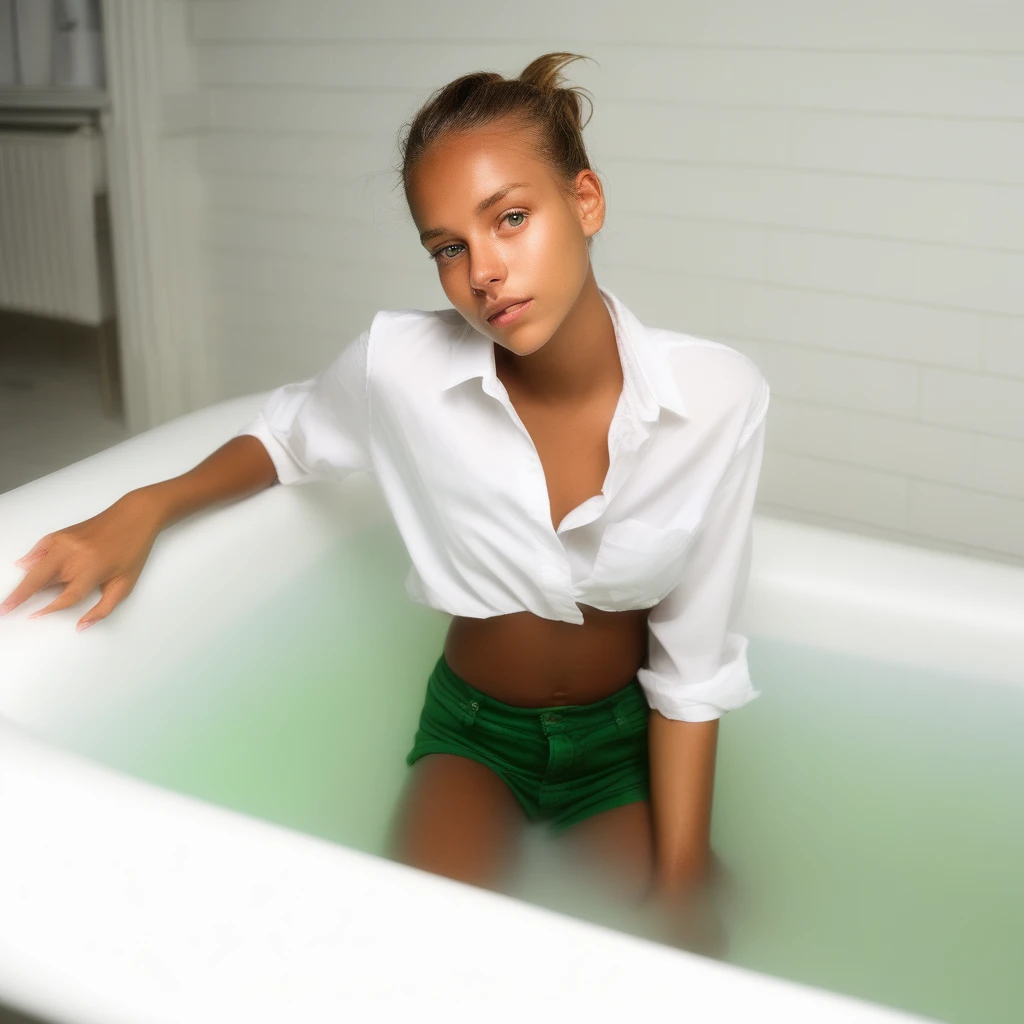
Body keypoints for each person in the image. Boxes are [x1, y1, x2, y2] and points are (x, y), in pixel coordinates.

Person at [0, 52, 768, 957]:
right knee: (407, 955)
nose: (483, 271)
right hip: (473, 733)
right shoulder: (401, 366)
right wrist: (144, 505)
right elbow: (286, 437)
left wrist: (681, 876)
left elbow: (691, 664)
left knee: (697, 943)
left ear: (586, 203)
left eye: (511, 219)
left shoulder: (716, 398)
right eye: (448, 247)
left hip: (622, 744)